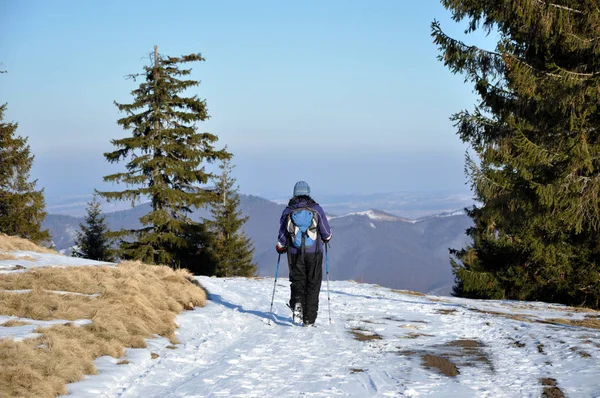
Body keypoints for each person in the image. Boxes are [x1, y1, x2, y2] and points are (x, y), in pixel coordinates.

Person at [276, 181, 332, 326]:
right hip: (314, 253)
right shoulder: (316, 209)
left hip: (294, 253)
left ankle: (297, 304)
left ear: (294, 193)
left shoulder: (288, 211)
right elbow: (326, 234)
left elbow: (282, 236)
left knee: (297, 281)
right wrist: (326, 238)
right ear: (308, 193)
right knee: (313, 284)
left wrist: (280, 246)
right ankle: (309, 319)